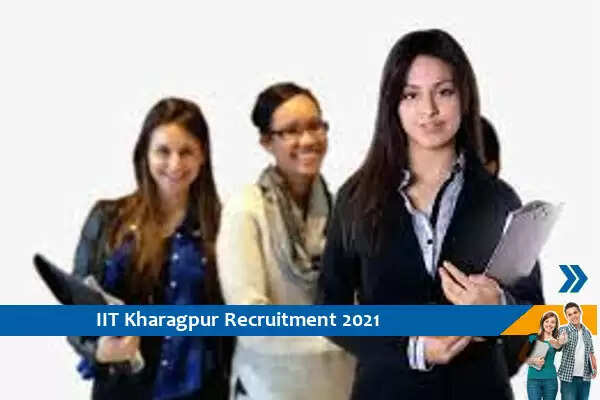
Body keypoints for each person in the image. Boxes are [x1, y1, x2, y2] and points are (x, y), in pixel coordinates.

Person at [318, 29, 543, 399]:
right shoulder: (356, 198)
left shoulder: (500, 200)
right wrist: (414, 348)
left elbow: (535, 318)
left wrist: (498, 309)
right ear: (392, 104)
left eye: (444, 92)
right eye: (411, 95)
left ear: (465, 98)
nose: (429, 110)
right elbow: (330, 311)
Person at [67, 97, 230, 399]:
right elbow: (75, 308)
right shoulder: (107, 219)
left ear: (203, 156)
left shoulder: (226, 227)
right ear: (145, 153)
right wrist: (98, 348)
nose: (175, 164)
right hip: (121, 390)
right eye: (163, 151)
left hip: (202, 392)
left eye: (186, 152)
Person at [216, 82, 355, 400]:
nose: (307, 140)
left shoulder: (343, 210)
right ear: (267, 141)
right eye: (291, 131)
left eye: (315, 126)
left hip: (339, 388)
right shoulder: (246, 210)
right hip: (269, 389)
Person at [558, 302, 597, 400]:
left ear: (580, 312)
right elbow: (558, 345)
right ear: (567, 317)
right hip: (568, 378)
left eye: (575, 312)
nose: (573, 316)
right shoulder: (563, 330)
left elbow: (591, 352)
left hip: (585, 378)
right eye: (570, 314)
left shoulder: (587, 332)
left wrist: (595, 367)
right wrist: (560, 342)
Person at [526, 311, 566, 399]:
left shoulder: (556, 341)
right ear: (542, 322)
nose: (549, 324)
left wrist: (560, 342)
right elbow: (521, 358)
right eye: (547, 321)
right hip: (533, 380)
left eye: (552, 322)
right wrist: (533, 361)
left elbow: (558, 346)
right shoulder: (532, 337)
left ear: (556, 325)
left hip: (550, 380)